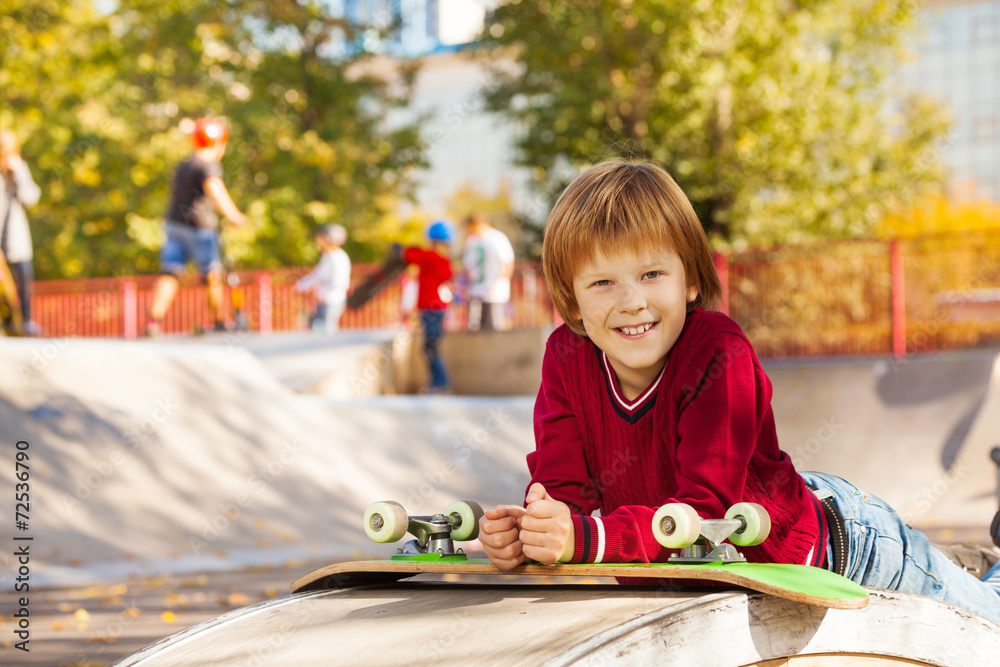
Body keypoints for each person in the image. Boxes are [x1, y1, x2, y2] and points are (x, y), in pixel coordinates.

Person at [478, 160, 1000, 625]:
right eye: (602, 284)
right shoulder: (566, 357)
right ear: (571, 300)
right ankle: (964, 561)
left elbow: (706, 516)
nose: (633, 301)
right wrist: (536, 532)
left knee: (989, 624)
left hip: (840, 546)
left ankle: (972, 569)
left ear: (688, 279)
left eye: (652, 273)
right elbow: (565, 492)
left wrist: (586, 539)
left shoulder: (718, 353)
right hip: (706, 557)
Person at [146, 118, 246, 335]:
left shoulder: (184, 164)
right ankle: (220, 322)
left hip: (173, 225)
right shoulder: (208, 164)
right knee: (212, 275)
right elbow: (214, 187)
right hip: (200, 229)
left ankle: (153, 322)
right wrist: (233, 215)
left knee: (170, 273)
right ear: (219, 143)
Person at [402, 219, 454, 394]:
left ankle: (440, 383)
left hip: (430, 309)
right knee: (431, 347)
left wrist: (411, 247)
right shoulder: (445, 260)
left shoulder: (428, 256)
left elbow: (408, 255)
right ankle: (438, 382)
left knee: (430, 348)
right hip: (439, 309)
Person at [0, 129, 42, 335]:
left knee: (23, 276)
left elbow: (31, 197)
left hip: (14, 235)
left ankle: (25, 321)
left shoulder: (19, 168)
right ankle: (6, 322)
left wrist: (18, 171)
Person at [462, 213, 514, 332]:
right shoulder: (471, 241)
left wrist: (499, 283)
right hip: (475, 291)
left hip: (493, 293)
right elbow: (467, 266)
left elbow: (507, 263)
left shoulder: (497, 238)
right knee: (474, 328)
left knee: (493, 328)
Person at [295, 224, 351, 334]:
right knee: (318, 329)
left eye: (321, 238)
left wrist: (324, 295)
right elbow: (317, 276)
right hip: (325, 301)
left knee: (324, 332)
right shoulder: (329, 256)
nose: (319, 242)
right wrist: (301, 285)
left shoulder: (336, 256)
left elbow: (339, 282)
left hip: (330, 301)